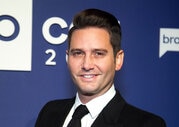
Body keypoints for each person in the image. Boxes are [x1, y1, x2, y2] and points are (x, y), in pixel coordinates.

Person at [35, 8, 166, 127]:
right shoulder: (49, 113)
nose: (87, 65)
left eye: (98, 54)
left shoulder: (147, 124)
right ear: (68, 57)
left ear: (118, 59)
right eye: (78, 53)